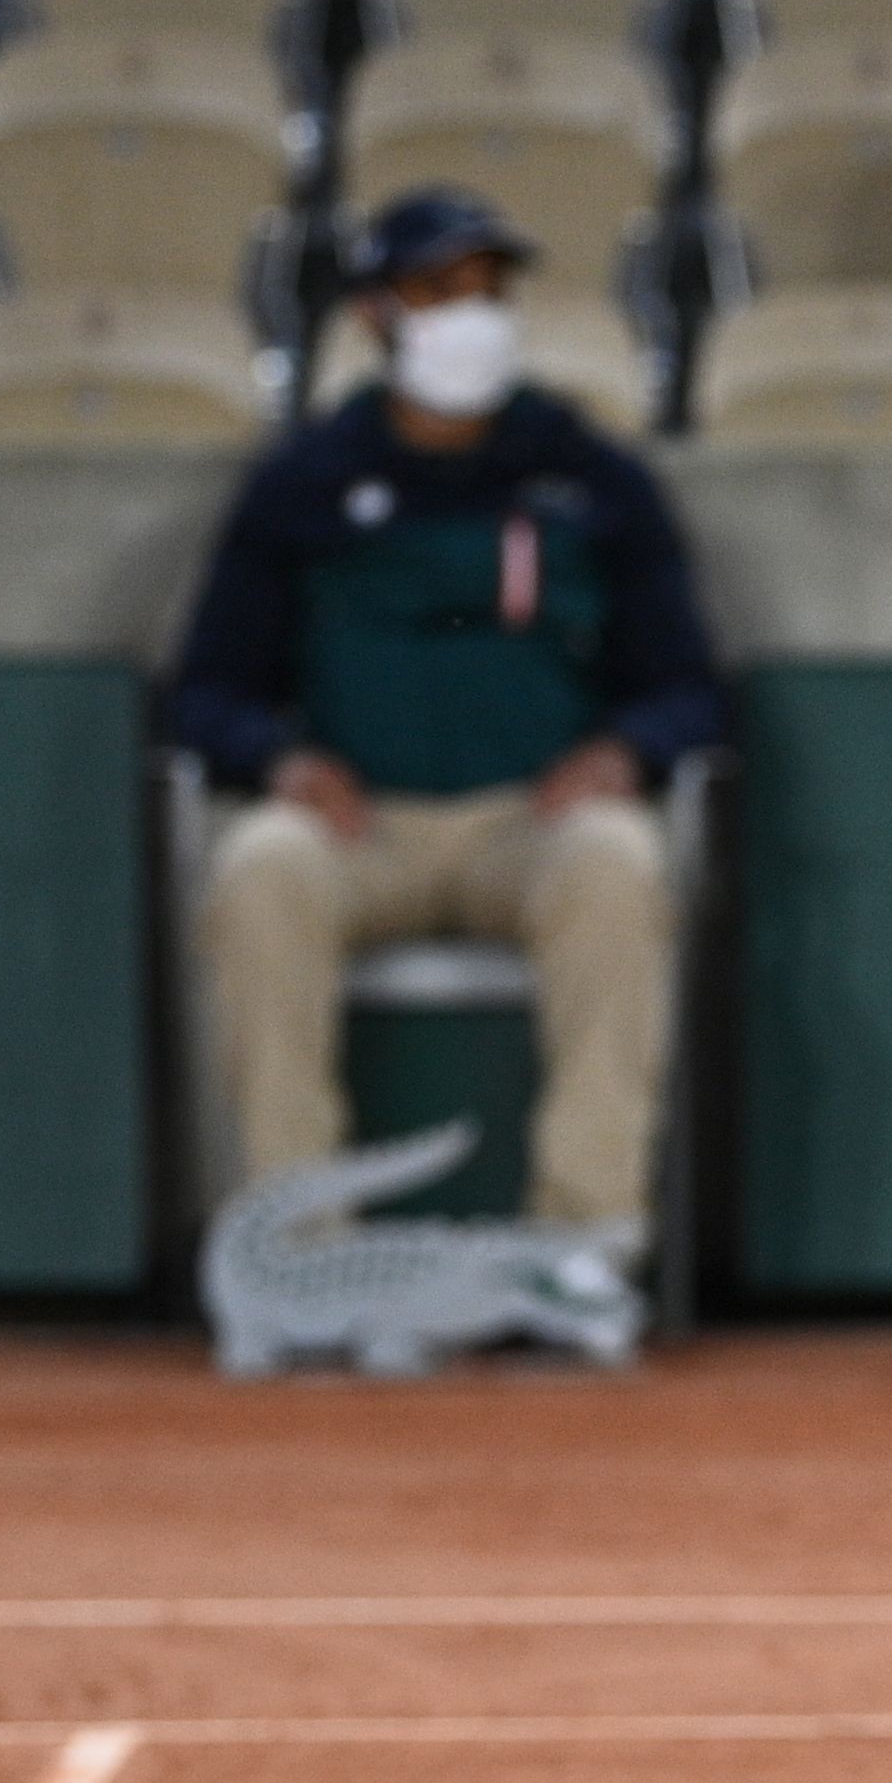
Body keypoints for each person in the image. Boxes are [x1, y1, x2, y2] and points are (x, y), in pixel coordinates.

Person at [173, 186, 724, 1241]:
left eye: (488, 291)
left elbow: (690, 690)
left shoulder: (590, 476)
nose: (470, 317)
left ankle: (584, 1241)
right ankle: (300, 1240)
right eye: (438, 291)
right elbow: (205, 692)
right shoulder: (304, 480)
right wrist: (279, 759)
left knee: (622, 864)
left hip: (533, 822)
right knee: (256, 872)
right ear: (379, 314)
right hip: (359, 824)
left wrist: (624, 749)